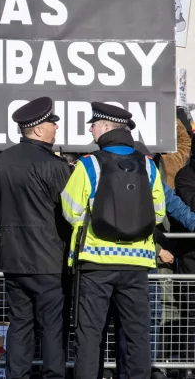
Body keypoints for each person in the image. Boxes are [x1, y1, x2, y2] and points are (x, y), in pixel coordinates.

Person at [61, 102, 165, 379]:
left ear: (106, 127)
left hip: (95, 262)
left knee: (89, 335)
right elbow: (158, 213)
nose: (91, 130)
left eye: (94, 125)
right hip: (138, 264)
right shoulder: (148, 165)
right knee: (136, 335)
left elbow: (70, 211)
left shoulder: (88, 164)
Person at [0, 97, 72, 379]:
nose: (56, 128)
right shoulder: (54, 166)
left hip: (14, 259)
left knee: (20, 326)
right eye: (52, 124)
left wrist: (11, 231)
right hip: (50, 261)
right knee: (53, 328)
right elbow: (70, 213)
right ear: (38, 130)